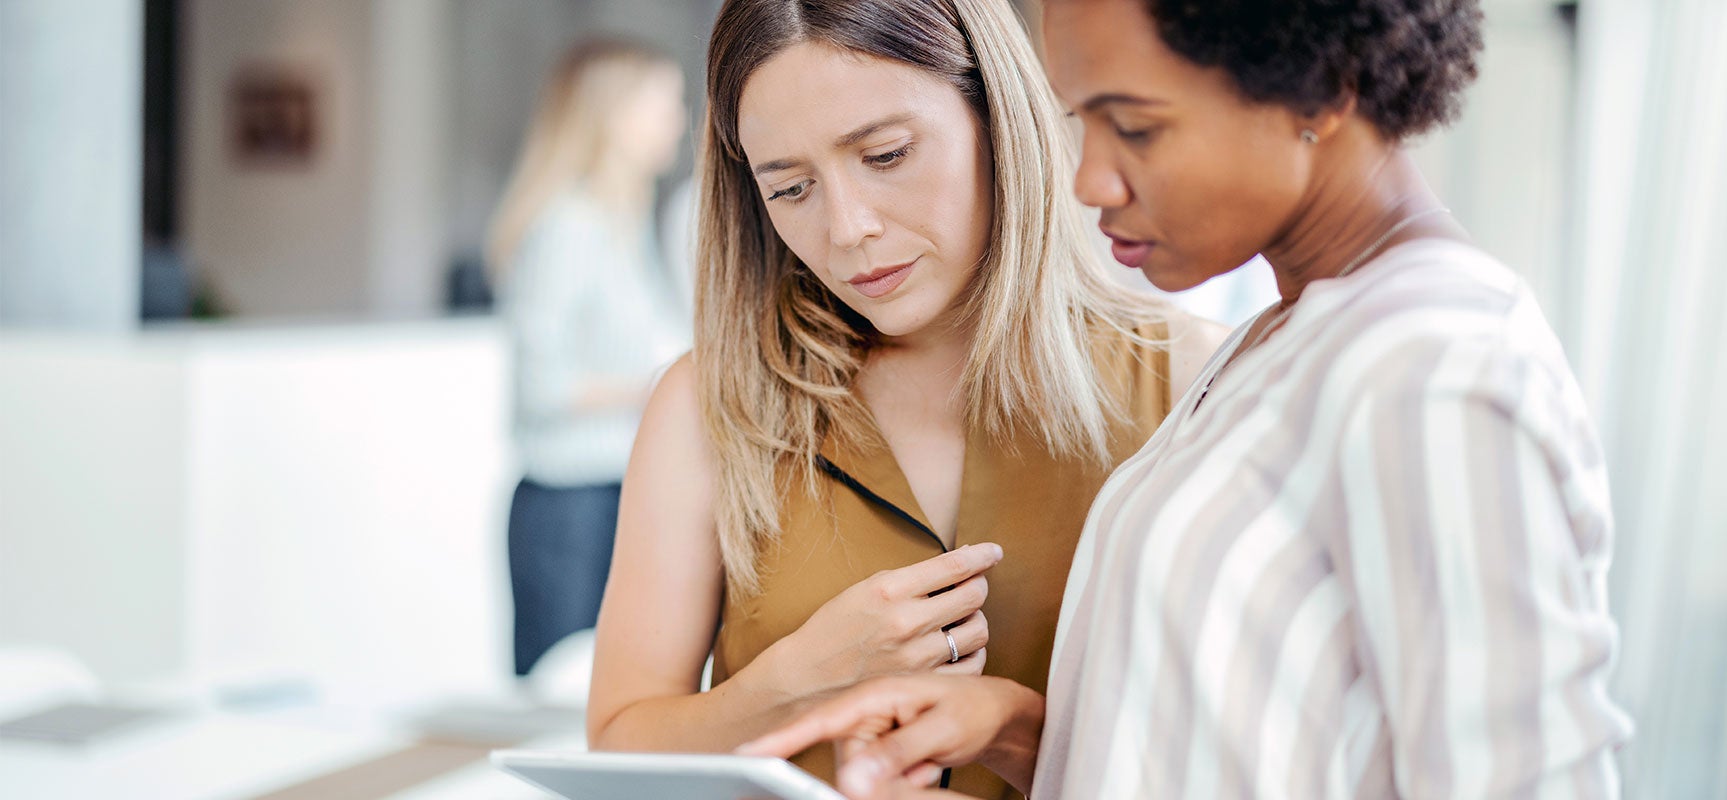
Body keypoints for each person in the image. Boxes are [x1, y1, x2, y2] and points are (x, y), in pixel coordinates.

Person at [740, 1, 1637, 797]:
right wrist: (1019, 735)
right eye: (1082, 121)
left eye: (1136, 126)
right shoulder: (1283, 340)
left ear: (1322, 89)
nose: (1090, 179)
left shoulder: (1435, 367)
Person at [585, 1, 1225, 797]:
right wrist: (789, 685)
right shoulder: (707, 404)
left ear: (996, 116)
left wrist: (1022, 733)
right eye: (790, 190)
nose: (848, 228)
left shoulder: (1185, 379)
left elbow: (1234, 752)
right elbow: (617, 745)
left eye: (886, 155)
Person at [487, 39, 692, 678]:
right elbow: (541, 384)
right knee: (560, 697)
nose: (679, 121)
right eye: (664, 105)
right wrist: (661, 384)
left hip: (613, 492)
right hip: (567, 506)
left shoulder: (627, 225)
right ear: (612, 115)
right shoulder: (569, 225)